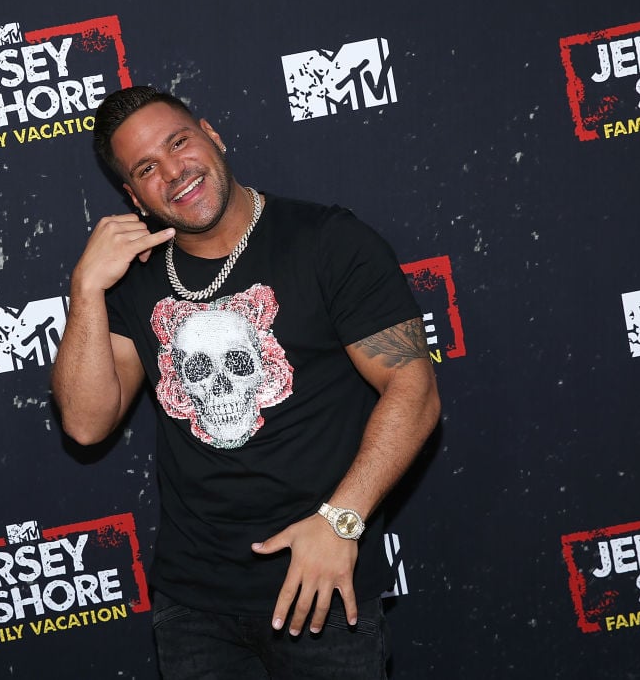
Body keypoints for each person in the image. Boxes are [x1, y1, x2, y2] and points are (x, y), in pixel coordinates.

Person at [52, 85, 440, 679]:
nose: (173, 172)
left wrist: (341, 520)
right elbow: (85, 424)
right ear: (133, 196)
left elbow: (414, 389)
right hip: (193, 604)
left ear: (212, 134)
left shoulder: (327, 241)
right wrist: (85, 288)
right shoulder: (135, 278)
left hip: (321, 587)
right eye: (146, 169)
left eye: (179, 142)